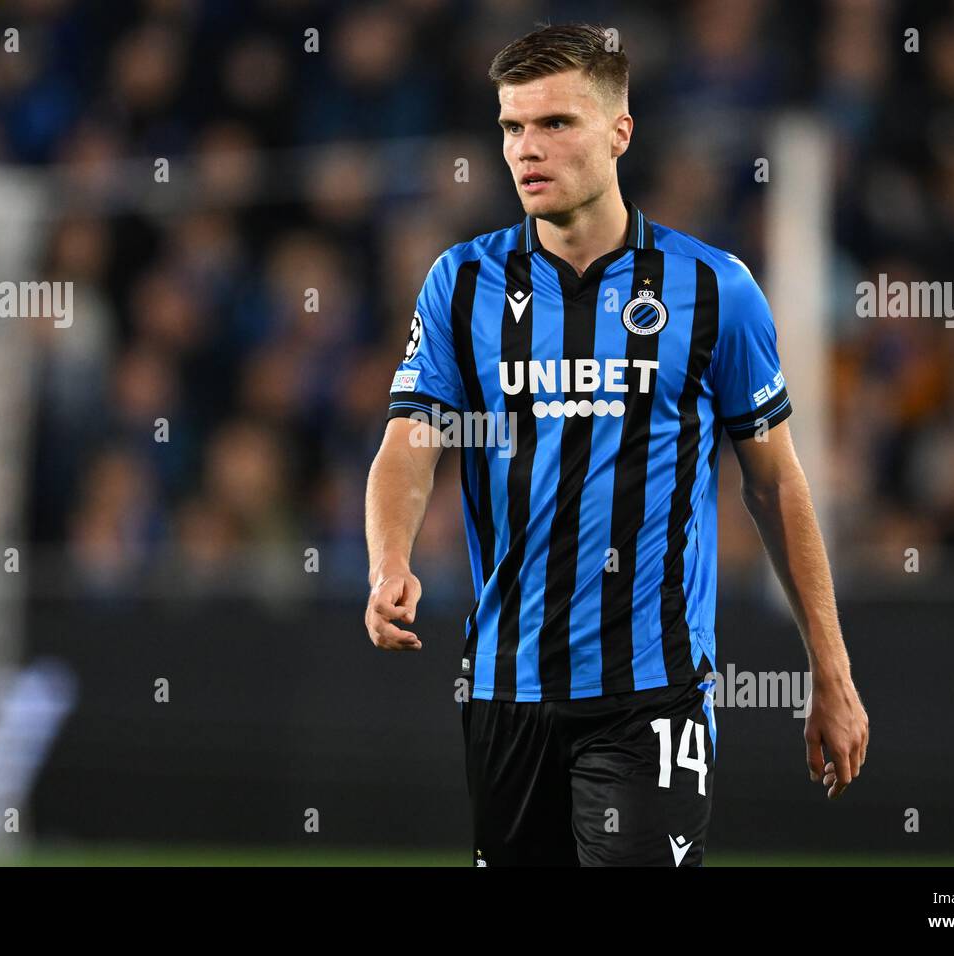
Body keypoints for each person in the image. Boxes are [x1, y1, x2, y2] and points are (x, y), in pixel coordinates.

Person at [364, 22, 868, 866]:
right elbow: (410, 445)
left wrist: (833, 669)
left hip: (653, 687)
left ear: (618, 133)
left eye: (555, 124)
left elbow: (776, 484)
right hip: (503, 684)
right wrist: (389, 561)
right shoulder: (461, 284)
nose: (527, 148)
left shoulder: (714, 290)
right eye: (511, 127)